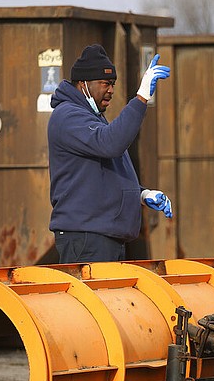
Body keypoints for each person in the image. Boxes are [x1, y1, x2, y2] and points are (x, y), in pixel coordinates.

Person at [48, 44, 172, 263]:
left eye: (113, 84)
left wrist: (141, 195)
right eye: (105, 83)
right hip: (86, 238)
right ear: (84, 84)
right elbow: (111, 144)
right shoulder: (68, 117)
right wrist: (141, 98)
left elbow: (107, 169)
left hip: (101, 236)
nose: (111, 90)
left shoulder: (92, 118)